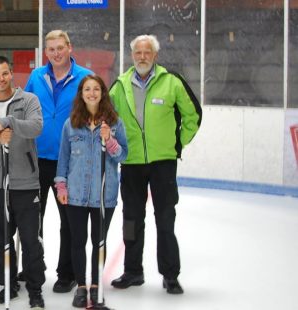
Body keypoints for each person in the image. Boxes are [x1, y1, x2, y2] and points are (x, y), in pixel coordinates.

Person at [109, 34, 202, 295]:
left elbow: (193, 115)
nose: (142, 57)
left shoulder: (171, 82)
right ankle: (132, 271)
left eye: (147, 52)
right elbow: (107, 118)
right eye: (138, 52)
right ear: (132, 55)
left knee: (165, 218)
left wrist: (176, 144)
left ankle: (170, 275)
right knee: (131, 219)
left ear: (155, 55)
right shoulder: (119, 85)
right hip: (131, 163)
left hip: (163, 164)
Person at [0, 56, 46, 309]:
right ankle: (9, 284)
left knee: (31, 239)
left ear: (11, 74)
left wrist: (8, 121)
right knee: (0, 240)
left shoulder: (28, 100)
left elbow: (36, 128)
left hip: (26, 184)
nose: (1, 79)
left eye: (5, 73)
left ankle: (35, 289)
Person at [24, 29, 93, 293]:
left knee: (69, 221)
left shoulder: (85, 77)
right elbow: (24, 107)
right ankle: (32, 268)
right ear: (46, 52)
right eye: (50, 49)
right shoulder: (36, 76)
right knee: (32, 219)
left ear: (69, 47)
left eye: (59, 48)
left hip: (69, 163)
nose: (55, 53)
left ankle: (67, 273)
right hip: (37, 159)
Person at [54, 75, 128, 308]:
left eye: (96, 89)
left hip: (103, 196)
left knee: (99, 242)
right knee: (77, 241)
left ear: (103, 93)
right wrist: (61, 186)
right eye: (87, 89)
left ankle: (96, 286)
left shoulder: (115, 124)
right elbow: (63, 158)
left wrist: (111, 141)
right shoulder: (71, 124)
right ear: (81, 94)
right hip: (75, 193)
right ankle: (81, 286)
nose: (92, 93)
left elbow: (123, 155)